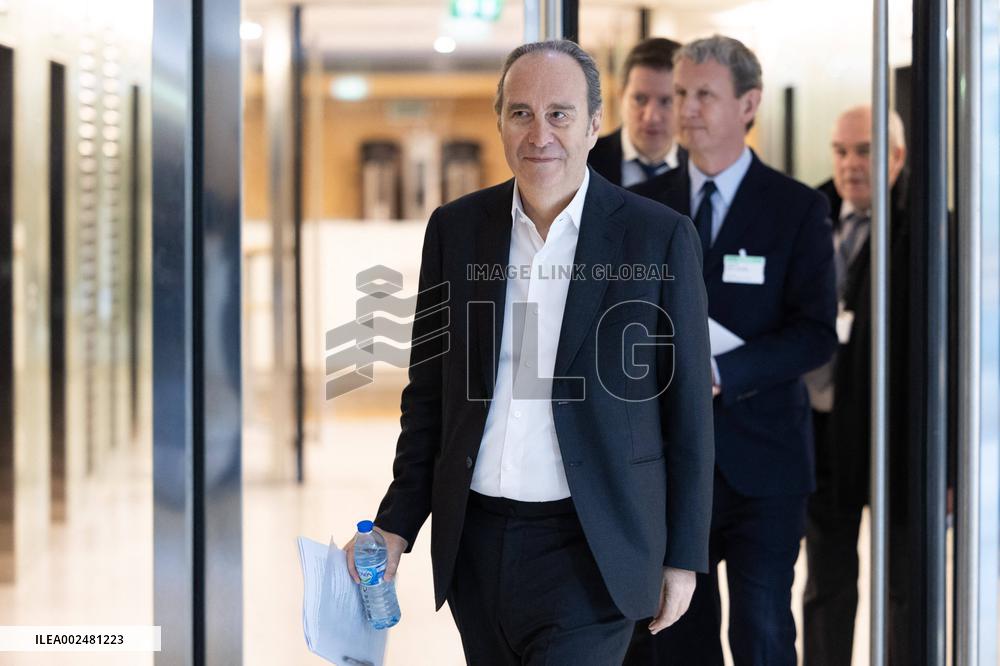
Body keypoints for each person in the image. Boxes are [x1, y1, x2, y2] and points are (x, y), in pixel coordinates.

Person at [344, 39, 716, 664]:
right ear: (500, 124)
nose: (539, 133)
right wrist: (395, 524)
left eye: (560, 114)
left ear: (596, 124)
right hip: (477, 547)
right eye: (520, 113)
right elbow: (430, 393)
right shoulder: (458, 229)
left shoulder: (657, 237)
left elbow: (688, 414)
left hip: (593, 550)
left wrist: (684, 556)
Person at [628, 35, 837, 665]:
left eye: (703, 95)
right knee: (678, 638)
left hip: (764, 466)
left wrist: (721, 372)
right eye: (681, 94)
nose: (685, 109)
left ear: (749, 103)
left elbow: (815, 331)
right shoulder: (641, 207)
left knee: (764, 630)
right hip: (667, 467)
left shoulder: (798, 208)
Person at [802, 105, 912, 666]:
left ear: (896, 155)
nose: (850, 164)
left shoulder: (925, 226)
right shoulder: (810, 213)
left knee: (905, 588)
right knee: (827, 580)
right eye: (842, 151)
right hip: (822, 432)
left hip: (899, 436)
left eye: (865, 151)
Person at [588, 37, 687, 187]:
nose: (651, 117)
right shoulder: (586, 160)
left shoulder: (700, 169)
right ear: (621, 98)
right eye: (640, 99)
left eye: (667, 101)